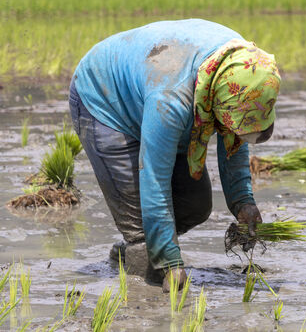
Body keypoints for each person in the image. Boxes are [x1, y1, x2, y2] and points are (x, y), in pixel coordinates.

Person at [68, 18, 280, 290]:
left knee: (196, 205)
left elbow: (234, 140)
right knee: (144, 241)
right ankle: (141, 294)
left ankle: (131, 252)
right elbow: (154, 179)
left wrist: (243, 202)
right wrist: (169, 263)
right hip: (105, 101)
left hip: (154, 87)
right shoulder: (171, 99)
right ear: (214, 102)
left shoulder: (245, 69)